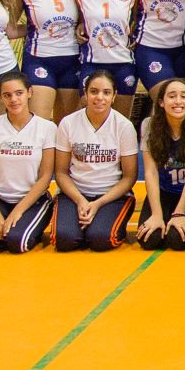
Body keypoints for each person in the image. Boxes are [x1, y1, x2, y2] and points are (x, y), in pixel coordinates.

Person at [0, 71, 57, 254]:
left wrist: (17, 211)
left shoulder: (47, 128)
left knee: (18, 243)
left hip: (32, 200)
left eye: (19, 93)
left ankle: (30, 224)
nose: (14, 99)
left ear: (29, 92)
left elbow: (45, 177)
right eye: (7, 95)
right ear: (1, 97)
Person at [52, 70, 140, 251]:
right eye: (94, 91)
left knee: (100, 239)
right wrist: (80, 201)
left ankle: (102, 223)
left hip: (111, 195)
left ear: (114, 96)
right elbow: (60, 172)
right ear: (85, 93)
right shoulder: (68, 123)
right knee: (64, 239)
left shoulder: (124, 126)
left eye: (106, 92)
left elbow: (129, 177)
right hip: (75, 193)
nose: (100, 97)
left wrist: (98, 203)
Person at [136, 78, 185, 251]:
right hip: (165, 191)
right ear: (161, 102)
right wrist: (156, 214)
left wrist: (179, 213)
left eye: (183, 96)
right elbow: (150, 173)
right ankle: (163, 216)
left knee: (177, 240)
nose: (178, 101)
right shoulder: (149, 125)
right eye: (172, 96)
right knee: (150, 239)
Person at [18, 0, 82, 121]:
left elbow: (86, 16)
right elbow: (11, 21)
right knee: (39, 122)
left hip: (72, 58)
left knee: (67, 124)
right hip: (39, 59)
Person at [73, 0, 139, 115]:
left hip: (123, 61)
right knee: (90, 115)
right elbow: (77, 17)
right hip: (92, 62)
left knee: (121, 119)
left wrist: (137, 34)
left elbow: (139, 17)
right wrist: (80, 25)